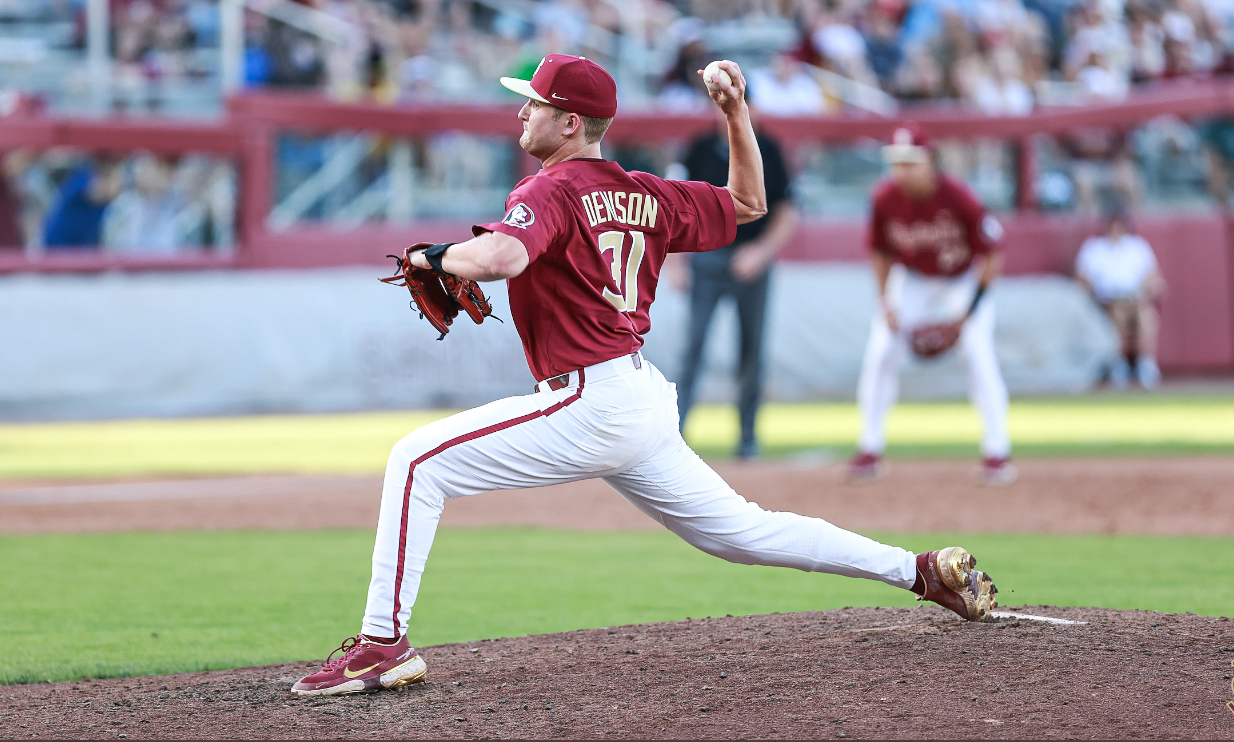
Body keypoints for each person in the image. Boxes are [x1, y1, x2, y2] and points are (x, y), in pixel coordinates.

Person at [291, 55, 998, 697]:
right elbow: (748, 204)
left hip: (589, 400)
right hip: (635, 399)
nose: (520, 114)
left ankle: (381, 646)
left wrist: (434, 256)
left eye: (532, 104)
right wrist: (734, 114)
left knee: (416, 461)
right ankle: (919, 570)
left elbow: (503, 258)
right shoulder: (646, 193)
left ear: (570, 122)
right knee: (741, 533)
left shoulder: (551, 187)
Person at [850, 123, 1015, 486]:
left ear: (931, 160)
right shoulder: (884, 197)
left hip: (961, 279)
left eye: (911, 160)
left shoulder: (959, 196)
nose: (902, 169)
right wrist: (885, 302)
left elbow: (992, 255)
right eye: (896, 161)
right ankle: (869, 447)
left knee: (976, 352)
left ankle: (997, 451)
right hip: (912, 279)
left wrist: (967, 314)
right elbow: (878, 252)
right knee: (881, 351)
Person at [670, 107, 797, 460]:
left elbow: (788, 210)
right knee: (693, 348)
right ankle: (673, 438)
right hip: (706, 257)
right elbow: (676, 205)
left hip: (750, 261)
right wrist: (677, 262)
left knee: (751, 351)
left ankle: (747, 439)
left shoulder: (768, 148)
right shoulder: (698, 146)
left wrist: (760, 252)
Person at [1074, 208, 1164, 389]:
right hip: (1106, 302)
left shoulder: (1137, 247)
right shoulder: (1094, 248)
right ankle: (1118, 363)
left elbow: (1154, 278)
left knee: (1145, 317)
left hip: (1134, 300)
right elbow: (1081, 279)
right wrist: (1100, 293)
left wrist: (1146, 290)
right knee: (1118, 314)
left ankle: (1145, 364)